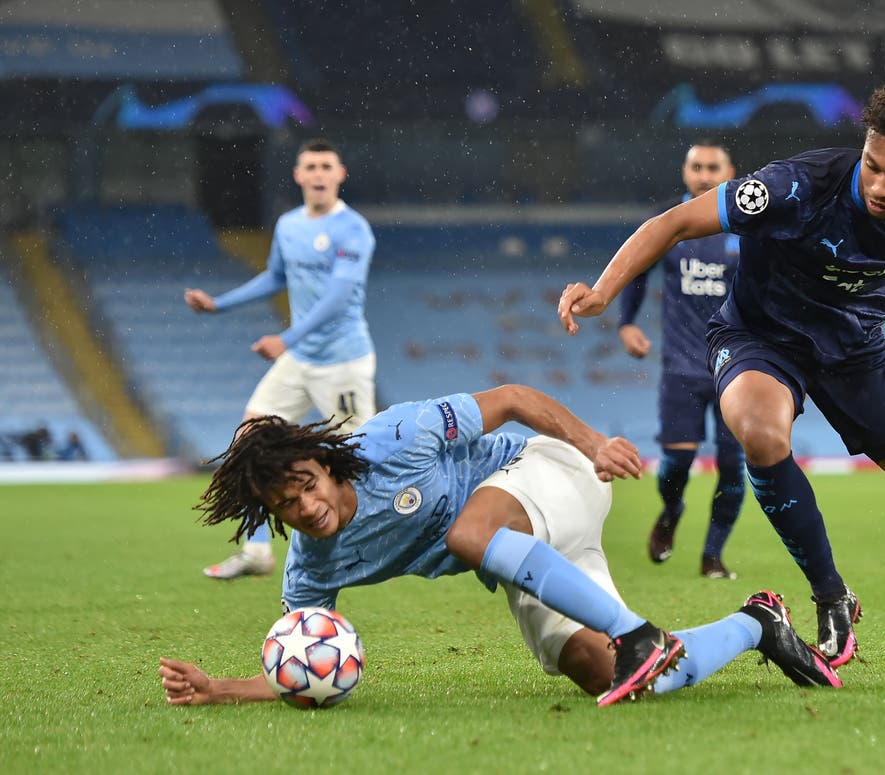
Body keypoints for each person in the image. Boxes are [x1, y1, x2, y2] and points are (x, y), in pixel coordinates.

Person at [558, 83, 885, 674]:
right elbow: (673, 223)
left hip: (854, 355)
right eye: (873, 166)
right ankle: (831, 596)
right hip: (761, 338)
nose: (880, 187)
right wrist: (602, 293)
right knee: (761, 433)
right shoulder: (792, 188)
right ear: (865, 146)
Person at [157, 385, 840, 707]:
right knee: (609, 676)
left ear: (326, 463)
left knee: (470, 532)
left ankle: (635, 632)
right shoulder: (314, 561)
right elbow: (296, 663)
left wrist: (593, 443)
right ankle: (756, 625)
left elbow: (512, 397)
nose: (305, 509)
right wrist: (217, 687)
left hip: (555, 472)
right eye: (285, 508)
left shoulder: (395, 437)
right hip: (530, 554)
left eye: (305, 486)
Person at [184, 138, 377, 580]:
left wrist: (287, 337)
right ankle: (256, 550)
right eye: (310, 166)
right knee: (250, 437)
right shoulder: (289, 225)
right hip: (299, 359)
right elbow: (275, 276)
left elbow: (340, 295)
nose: (318, 174)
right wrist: (219, 304)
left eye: (326, 166)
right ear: (298, 175)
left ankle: (376, 540)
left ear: (340, 174)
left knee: (361, 458)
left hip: (342, 363)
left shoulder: (353, 230)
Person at [617, 140, 745, 580]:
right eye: (697, 166)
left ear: (731, 172)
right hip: (682, 365)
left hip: (737, 368)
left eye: (714, 167)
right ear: (685, 171)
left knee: (733, 465)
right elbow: (636, 271)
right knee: (676, 463)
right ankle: (672, 510)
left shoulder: (751, 226)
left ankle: (713, 557)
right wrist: (626, 322)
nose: (705, 175)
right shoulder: (668, 222)